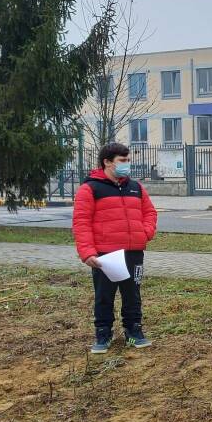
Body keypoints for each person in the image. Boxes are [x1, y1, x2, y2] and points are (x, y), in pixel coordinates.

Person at [72, 143, 158, 353]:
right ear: (107, 162)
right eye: (122, 161)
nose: (127, 165)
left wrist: (144, 232)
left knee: (132, 294)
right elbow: (81, 222)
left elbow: (150, 213)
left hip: (133, 251)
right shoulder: (90, 189)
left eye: (128, 160)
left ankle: (134, 331)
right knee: (104, 295)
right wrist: (87, 252)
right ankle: (103, 333)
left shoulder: (136, 187)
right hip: (105, 254)